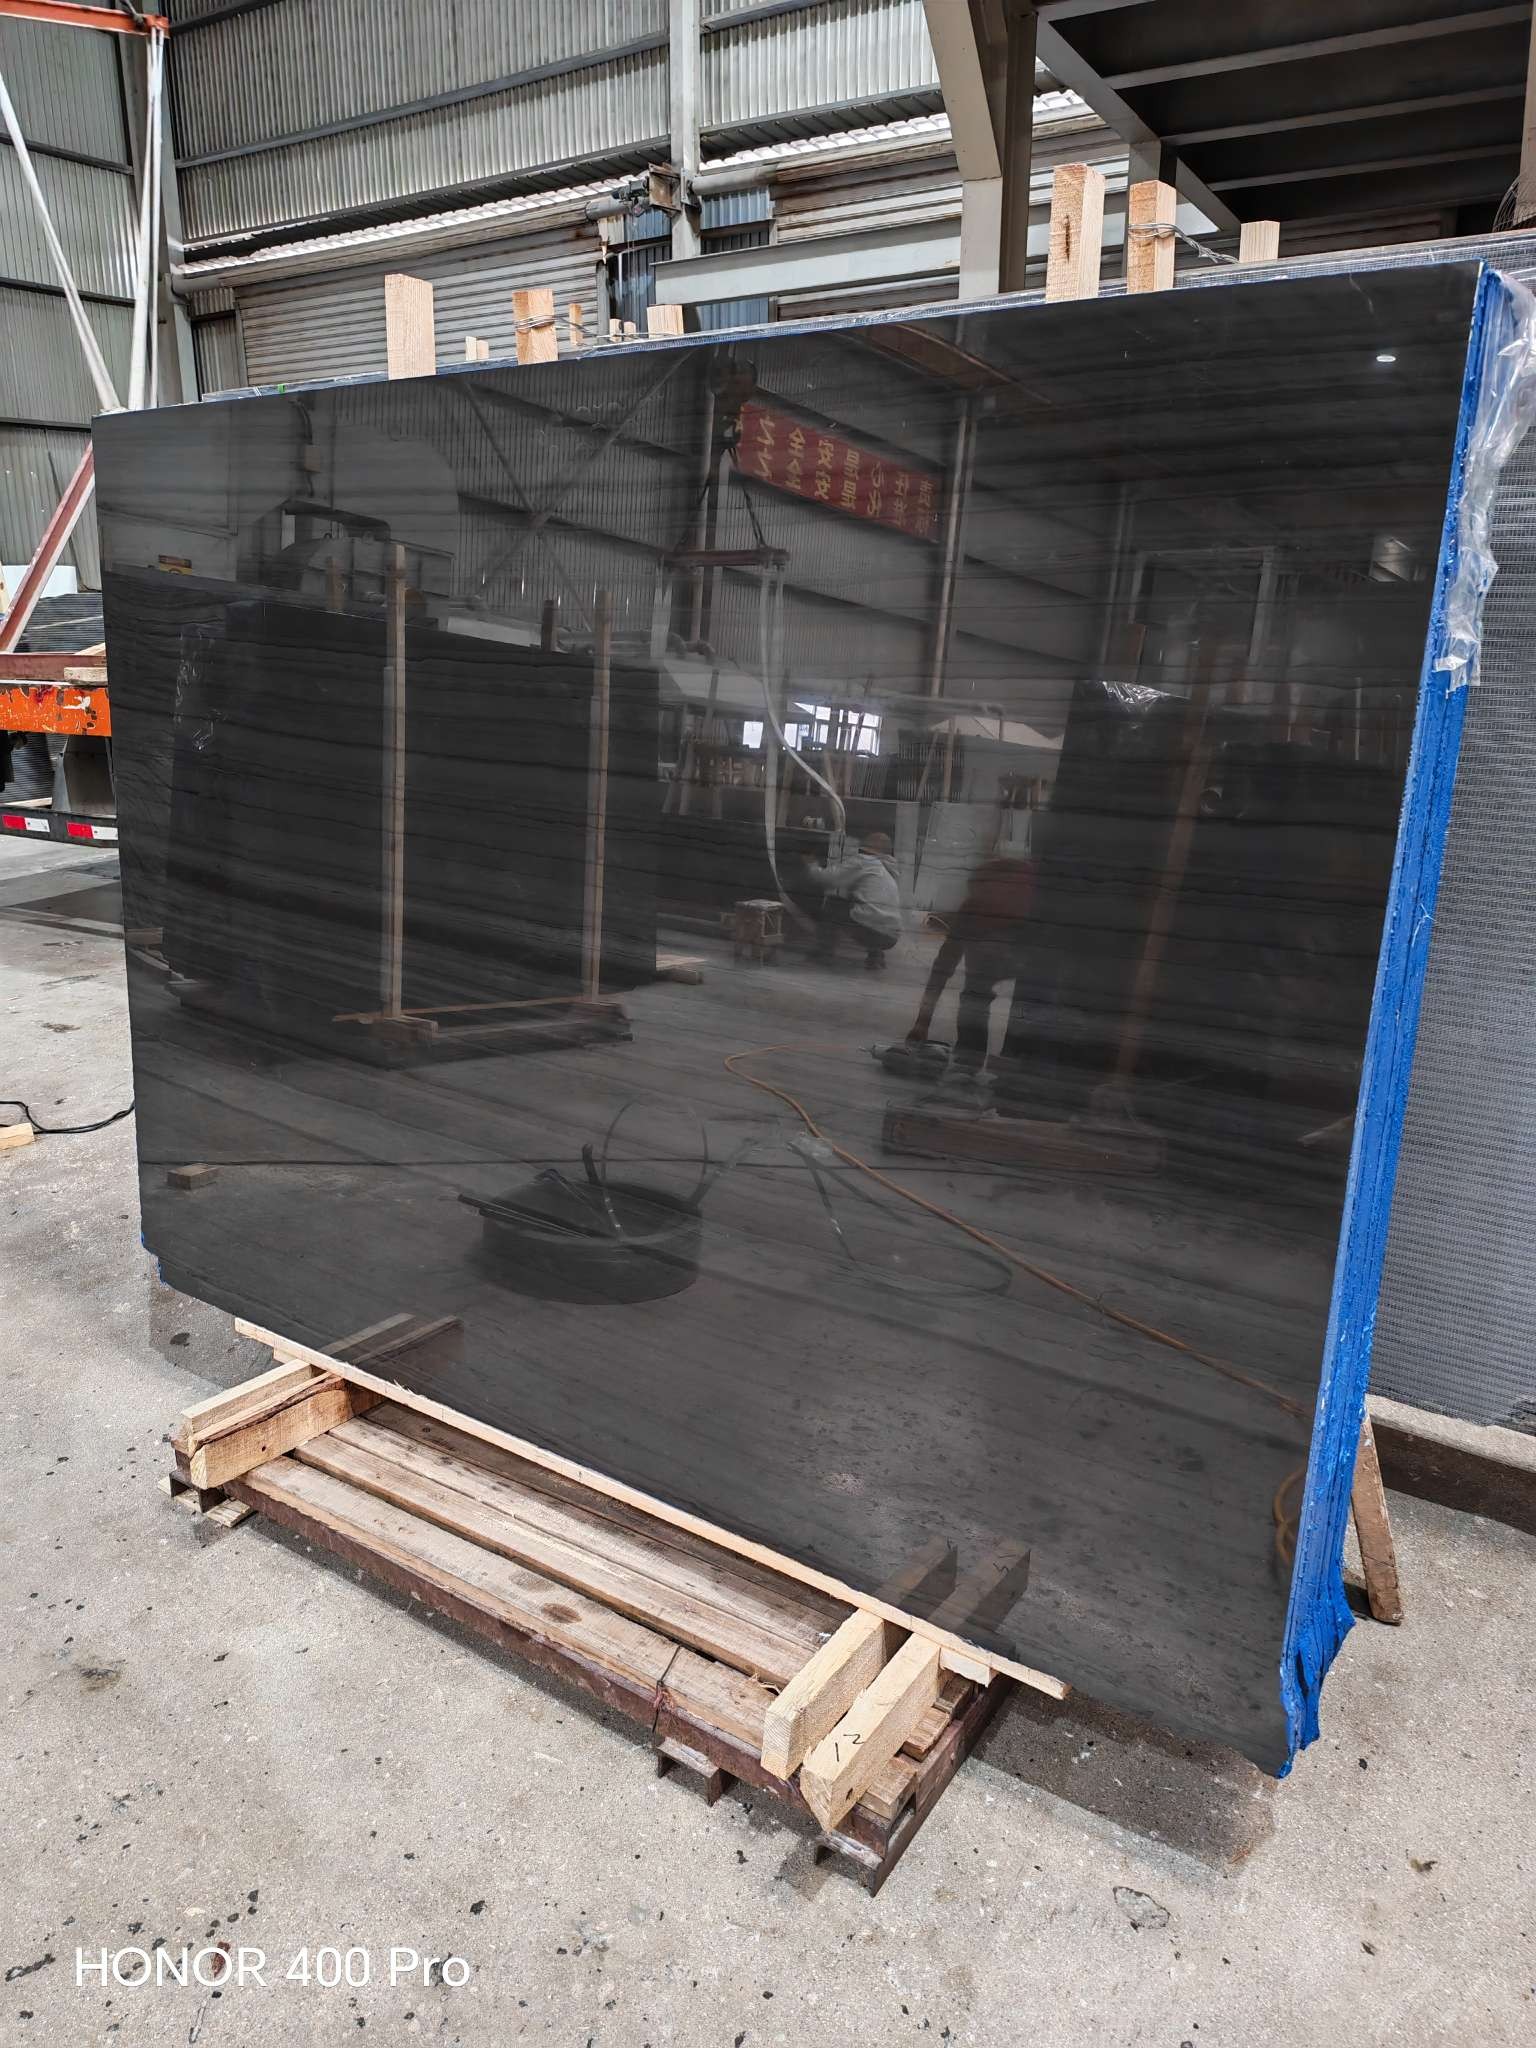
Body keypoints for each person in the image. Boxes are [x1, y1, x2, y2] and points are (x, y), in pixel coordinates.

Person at [907, 855, 1035, 1073]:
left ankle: (985, 1061)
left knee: (1019, 998)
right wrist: (922, 1022)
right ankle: (972, 1061)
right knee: (975, 995)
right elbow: (943, 966)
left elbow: (943, 967)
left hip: (1030, 950)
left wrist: (923, 1021)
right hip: (1012, 950)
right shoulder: (974, 911)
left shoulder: (1030, 913)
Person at [800, 831, 902, 970]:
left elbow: (828, 878)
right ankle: (876, 956)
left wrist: (811, 864)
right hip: (891, 937)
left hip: (870, 930)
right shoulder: (890, 870)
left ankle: (824, 954)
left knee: (834, 903)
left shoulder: (865, 861)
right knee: (869, 908)